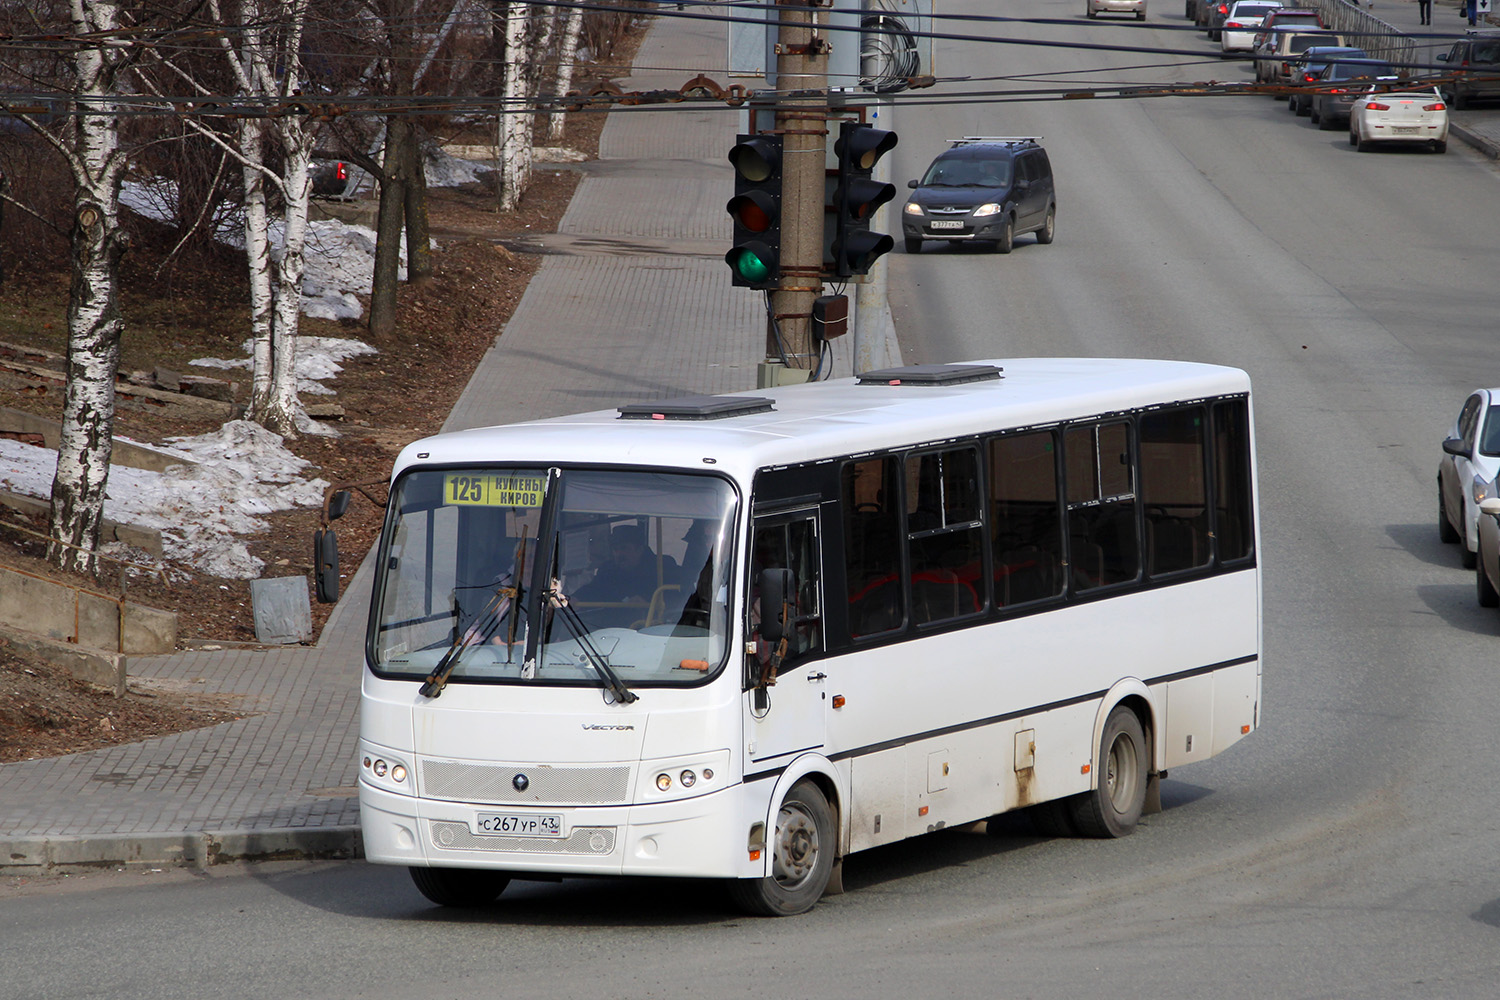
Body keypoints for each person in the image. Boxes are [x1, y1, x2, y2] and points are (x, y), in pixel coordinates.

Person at [574, 524, 677, 626]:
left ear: (640, 550)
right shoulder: (608, 570)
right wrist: (575, 598)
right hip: (613, 629)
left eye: (624, 548)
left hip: (654, 628)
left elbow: (679, 597)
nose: (619, 554)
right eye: (615, 549)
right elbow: (594, 590)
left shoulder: (663, 567)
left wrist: (648, 600)